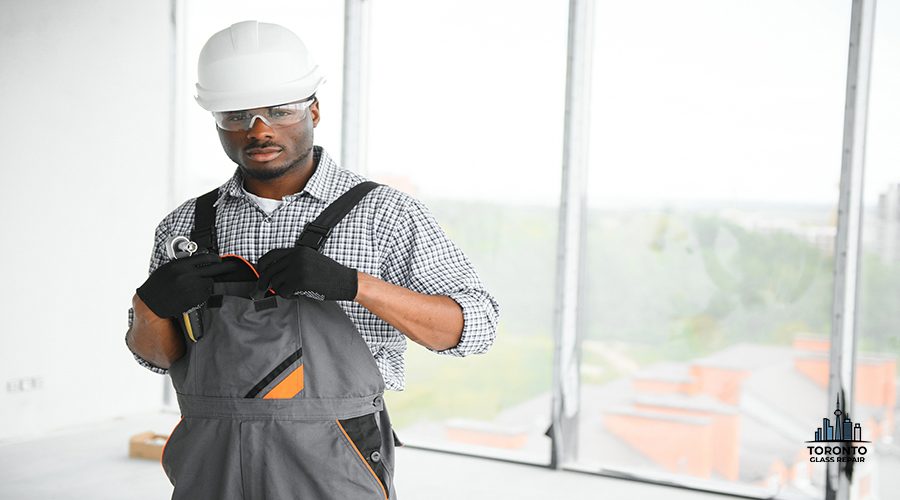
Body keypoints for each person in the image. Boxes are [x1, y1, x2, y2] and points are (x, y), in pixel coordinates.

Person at [125, 20, 499, 500]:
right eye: (236, 115)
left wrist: (353, 284)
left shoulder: (384, 213)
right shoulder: (184, 227)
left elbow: (475, 329)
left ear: (314, 110)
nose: (258, 130)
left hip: (331, 454)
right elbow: (157, 357)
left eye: (279, 111)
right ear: (217, 121)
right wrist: (150, 306)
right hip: (210, 456)